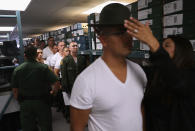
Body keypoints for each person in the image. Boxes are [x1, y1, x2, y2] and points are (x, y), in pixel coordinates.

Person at [70, 3, 147, 131]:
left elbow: (140, 109)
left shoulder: (139, 72)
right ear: (103, 39)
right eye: (121, 33)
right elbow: (77, 128)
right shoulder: (87, 81)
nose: (128, 38)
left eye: (130, 32)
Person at [124, 17, 195, 131]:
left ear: (180, 52)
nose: (161, 48)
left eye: (166, 46)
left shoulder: (190, 76)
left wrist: (153, 43)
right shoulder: (157, 75)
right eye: (161, 46)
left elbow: (178, 82)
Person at [11, 45, 60, 131]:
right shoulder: (43, 68)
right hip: (42, 102)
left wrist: (20, 101)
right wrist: (53, 93)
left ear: (25, 56)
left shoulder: (18, 70)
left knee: (28, 127)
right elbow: (56, 82)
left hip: (25, 103)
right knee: (46, 126)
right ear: (35, 55)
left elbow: (15, 90)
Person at [61, 42, 86, 123]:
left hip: (80, 86)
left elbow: (85, 73)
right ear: (69, 48)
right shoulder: (65, 60)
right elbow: (64, 76)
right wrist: (65, 87)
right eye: (73, 46)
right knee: (71, 104)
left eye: (76, 46)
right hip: (70, 86)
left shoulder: (82, 58)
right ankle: (71, 118)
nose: (75, 47)